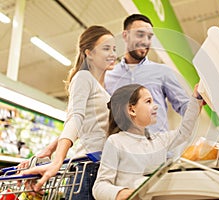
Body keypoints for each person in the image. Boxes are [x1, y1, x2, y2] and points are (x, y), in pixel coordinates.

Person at [21, 25, 117, 199]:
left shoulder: (101, 88)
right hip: (89, 169)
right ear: (89, 53)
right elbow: (75, 118)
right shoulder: (83, 77)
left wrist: (50, 148)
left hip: (99, 167)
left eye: (114, 48)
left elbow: (85, 124)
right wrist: (58, 160)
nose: (113, 54)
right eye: (106, 48)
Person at [92, 83, 204, 200]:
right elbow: (99, 187)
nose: (155, 106)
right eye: (148, 102)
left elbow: (184, 131)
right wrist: (124, 193)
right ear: (132, 110)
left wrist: (196, 99)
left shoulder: (159, 140)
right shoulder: (116, 142)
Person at [105, 14, 190, 133]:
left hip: (158, 148)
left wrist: (198, 100)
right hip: (122, 148)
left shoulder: (163, 72)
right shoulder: (109, 76)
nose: (146, 41)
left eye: (149, 36)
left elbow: (185, 107)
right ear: (125, 35)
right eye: (140, 35)